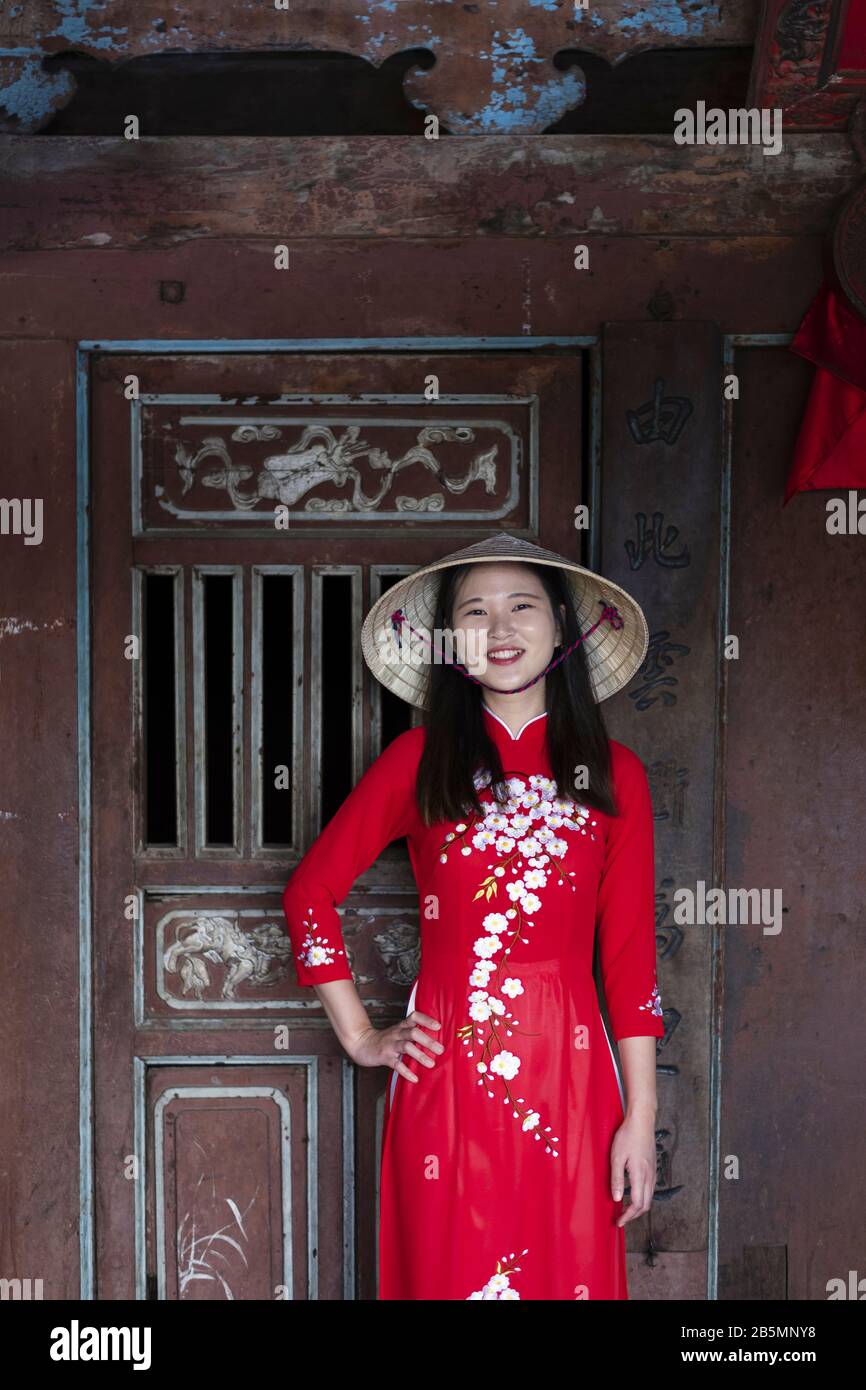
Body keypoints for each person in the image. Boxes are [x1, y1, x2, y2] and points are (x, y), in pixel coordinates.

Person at [282, 531, 665, 1300]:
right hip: (449, 1070)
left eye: (521, 606)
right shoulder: (419, 762)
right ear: (452, 642)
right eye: (475, 612)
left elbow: (628, 963)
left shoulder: (616, 774)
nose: (499, 629)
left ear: (563, 625)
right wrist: (361, 1036)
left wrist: (641, 1119)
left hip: (575, 1073)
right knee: (449, 1269)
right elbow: (308, 895)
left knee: (570, 1272)